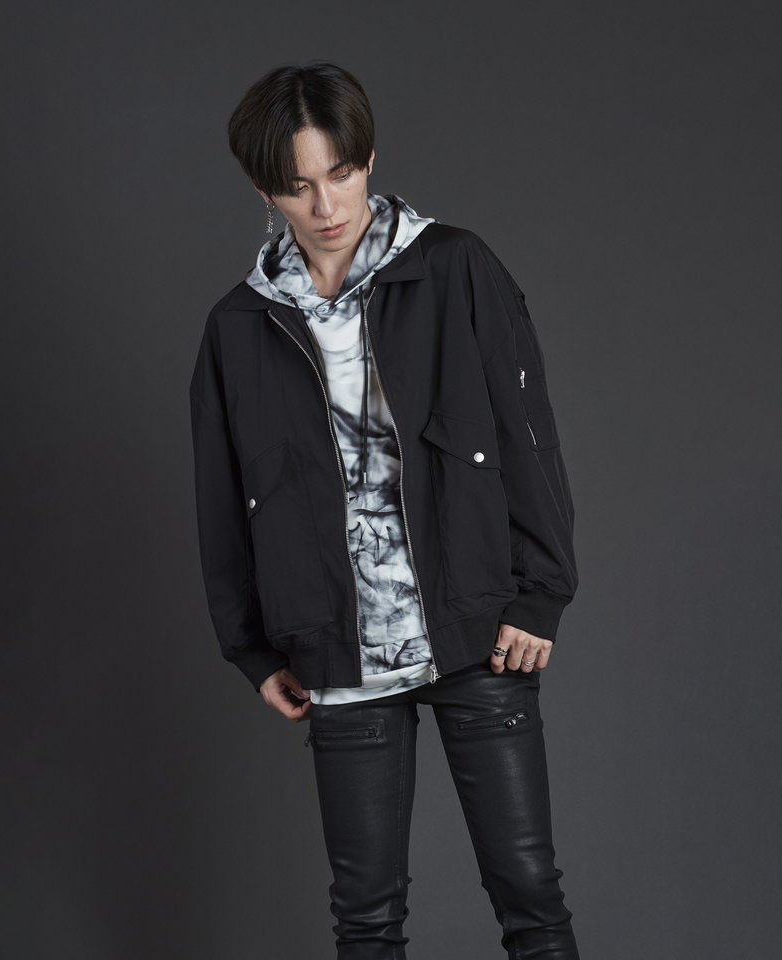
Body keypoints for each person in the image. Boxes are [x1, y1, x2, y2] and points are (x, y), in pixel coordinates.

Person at [190, 60, 582, 960]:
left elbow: (528, 436)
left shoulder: (455, 267)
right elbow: (222, 501)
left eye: (341, 173)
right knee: (365, 918)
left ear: (368, 158)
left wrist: (541, 594)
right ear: (264, 190)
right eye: (298, 186)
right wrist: (251, 648)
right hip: (338, 643)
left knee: (529, 893)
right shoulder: (238, 326)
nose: (327, 205)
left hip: (477, 626)